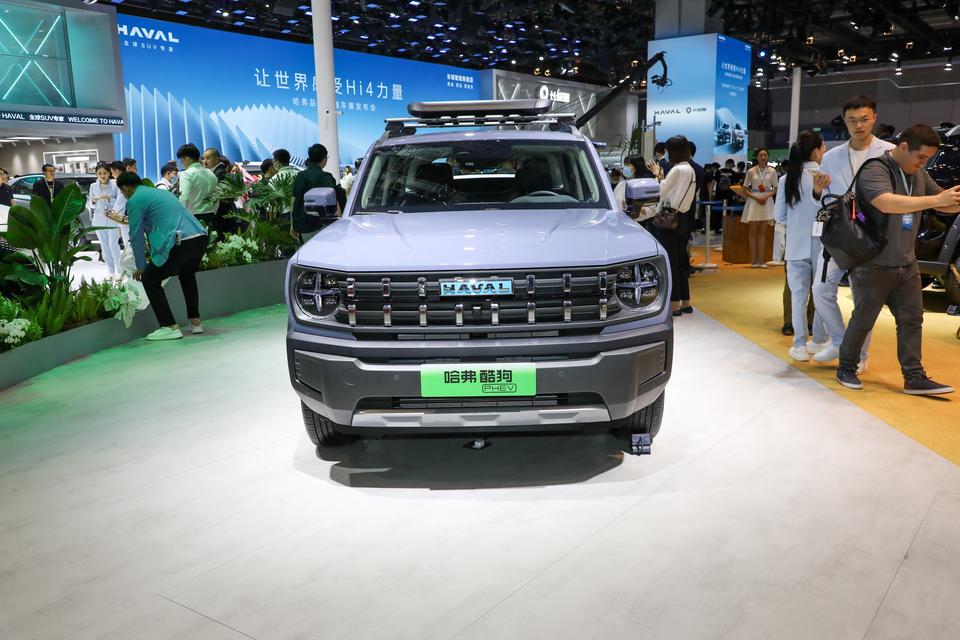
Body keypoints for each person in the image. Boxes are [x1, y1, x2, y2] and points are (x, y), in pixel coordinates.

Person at [836, 125, 960, 394]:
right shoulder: (875, 169)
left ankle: (914, 376)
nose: (923, 163)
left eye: (927, 159)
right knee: (864, 319)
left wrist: (951, 199)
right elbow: (886, 203)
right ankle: (846, 367)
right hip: (873, 263)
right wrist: (936, 199)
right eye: (920, 157)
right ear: (903, 147)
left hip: (906, 262)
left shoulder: (918, 173)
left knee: (912, 320)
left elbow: (942, 203)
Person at [814, 95, 897, 369]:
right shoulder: (831, 157)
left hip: (874, 236)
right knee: (820, 289)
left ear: (874, 118)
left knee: (864, 301)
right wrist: (817, 190)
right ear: (845, 121)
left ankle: (860, 356)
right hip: (840, 235)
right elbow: (824, 198)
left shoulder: (889, 152)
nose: (859, 125)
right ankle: (840, 341)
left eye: (864, 119)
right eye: (852, 121)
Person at [116, 172, 209, 342]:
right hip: (199, 238)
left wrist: (141, 267)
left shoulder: (134, 200)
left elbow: (136, 235)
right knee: (187, 275)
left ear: (125, 188)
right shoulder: (160, 192)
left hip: (180, 242)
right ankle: (195, 322)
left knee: (149, 279)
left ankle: (169, 326)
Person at [774, 131, 831, 361]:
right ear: (815, 151)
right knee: (822, 295)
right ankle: (819, 340)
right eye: (823, 146)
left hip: (795, 247)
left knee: (798, 297)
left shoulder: (786, 180)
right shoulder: (825, 177)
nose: (825, 150)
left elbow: (779, 216)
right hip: (822, 247)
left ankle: (799, 345)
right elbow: (831, 211)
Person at [649, 135, 697, 316]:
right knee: (681, 262)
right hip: (682, 218)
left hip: (670, 219)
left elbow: (660, 191)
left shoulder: (677, 169)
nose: (668, 154)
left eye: (669, 151)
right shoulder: (689, 169)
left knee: (671, 262)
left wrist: (656, 175)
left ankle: (674, 304)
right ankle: (685, 302)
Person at [292, 143, 346, 243]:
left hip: (303, 225)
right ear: (324, 159)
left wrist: (293, 225)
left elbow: (293, 201)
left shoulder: (300, 176)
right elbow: (334, 202)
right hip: (322, 224)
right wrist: (340, 222)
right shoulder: (326, 177)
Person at [741, 148, 778, 267]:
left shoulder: (772, 171)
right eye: (761, 155)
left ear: (767, 157)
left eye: (765, 155)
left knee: (762, 232)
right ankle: (753, 260)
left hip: (767, 201)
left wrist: (766, 196)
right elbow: (745, 188)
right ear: (757, 157)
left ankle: (761, 260)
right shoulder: (751, 171)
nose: (763, 157)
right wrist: (755, 197)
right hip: (753, 201)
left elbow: (776, 188)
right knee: (752, 232)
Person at [86, 163, 122, 279]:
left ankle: (120, 271)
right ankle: (111, 271)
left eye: (105, 173)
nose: (102, 175)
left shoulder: (115, 185)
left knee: (113, 245)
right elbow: (90, 204)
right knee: (105, 246)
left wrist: (109, 199)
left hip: (113, 220)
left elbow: (119, 202)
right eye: (100, 173)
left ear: (109, 173)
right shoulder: (93, 186)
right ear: (96, 174)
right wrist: (94, 201)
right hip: (99, 220)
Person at [175, 143, 218, 228]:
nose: (181, 163)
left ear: (187, 159)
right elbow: (217, 197)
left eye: (181, 160)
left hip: (194, 219)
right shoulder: (211, 173)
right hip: (212, 218)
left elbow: (184, 198)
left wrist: (180, 220)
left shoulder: (187, 174)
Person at [201, 147, 241, 234]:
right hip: (223, 215)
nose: (205, 161)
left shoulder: (219, 172)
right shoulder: (213, 171)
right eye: (203, 158)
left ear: (217, 159)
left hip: (224, 216)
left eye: (208, 158)